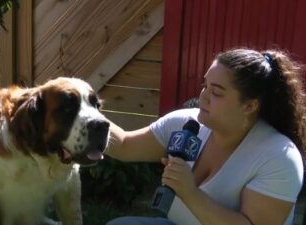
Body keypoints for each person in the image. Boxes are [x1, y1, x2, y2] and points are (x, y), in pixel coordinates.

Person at [105, 48, 306, 225]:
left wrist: (189, 192)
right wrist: (81, 112)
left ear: (249, 106)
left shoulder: (279, 157)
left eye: (216, 92)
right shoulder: (184, 123)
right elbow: (124, 145)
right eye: (205, 86)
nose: (203, 96)